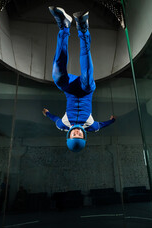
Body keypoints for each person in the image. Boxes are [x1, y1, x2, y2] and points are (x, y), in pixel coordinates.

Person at [43, 6, 116, 152]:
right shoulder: (91, 126)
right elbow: (102, 125)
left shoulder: (62, 125)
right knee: (88, 73)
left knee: (57, 74)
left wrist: (47, 113)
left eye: (73, 135)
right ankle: (83, 30)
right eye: (79, 135)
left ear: (69, 135)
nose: (77, 132)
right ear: (84, 136)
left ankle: (64, 27)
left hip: (69, 89)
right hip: (85, 90)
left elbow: (54, 118)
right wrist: (112, 120)